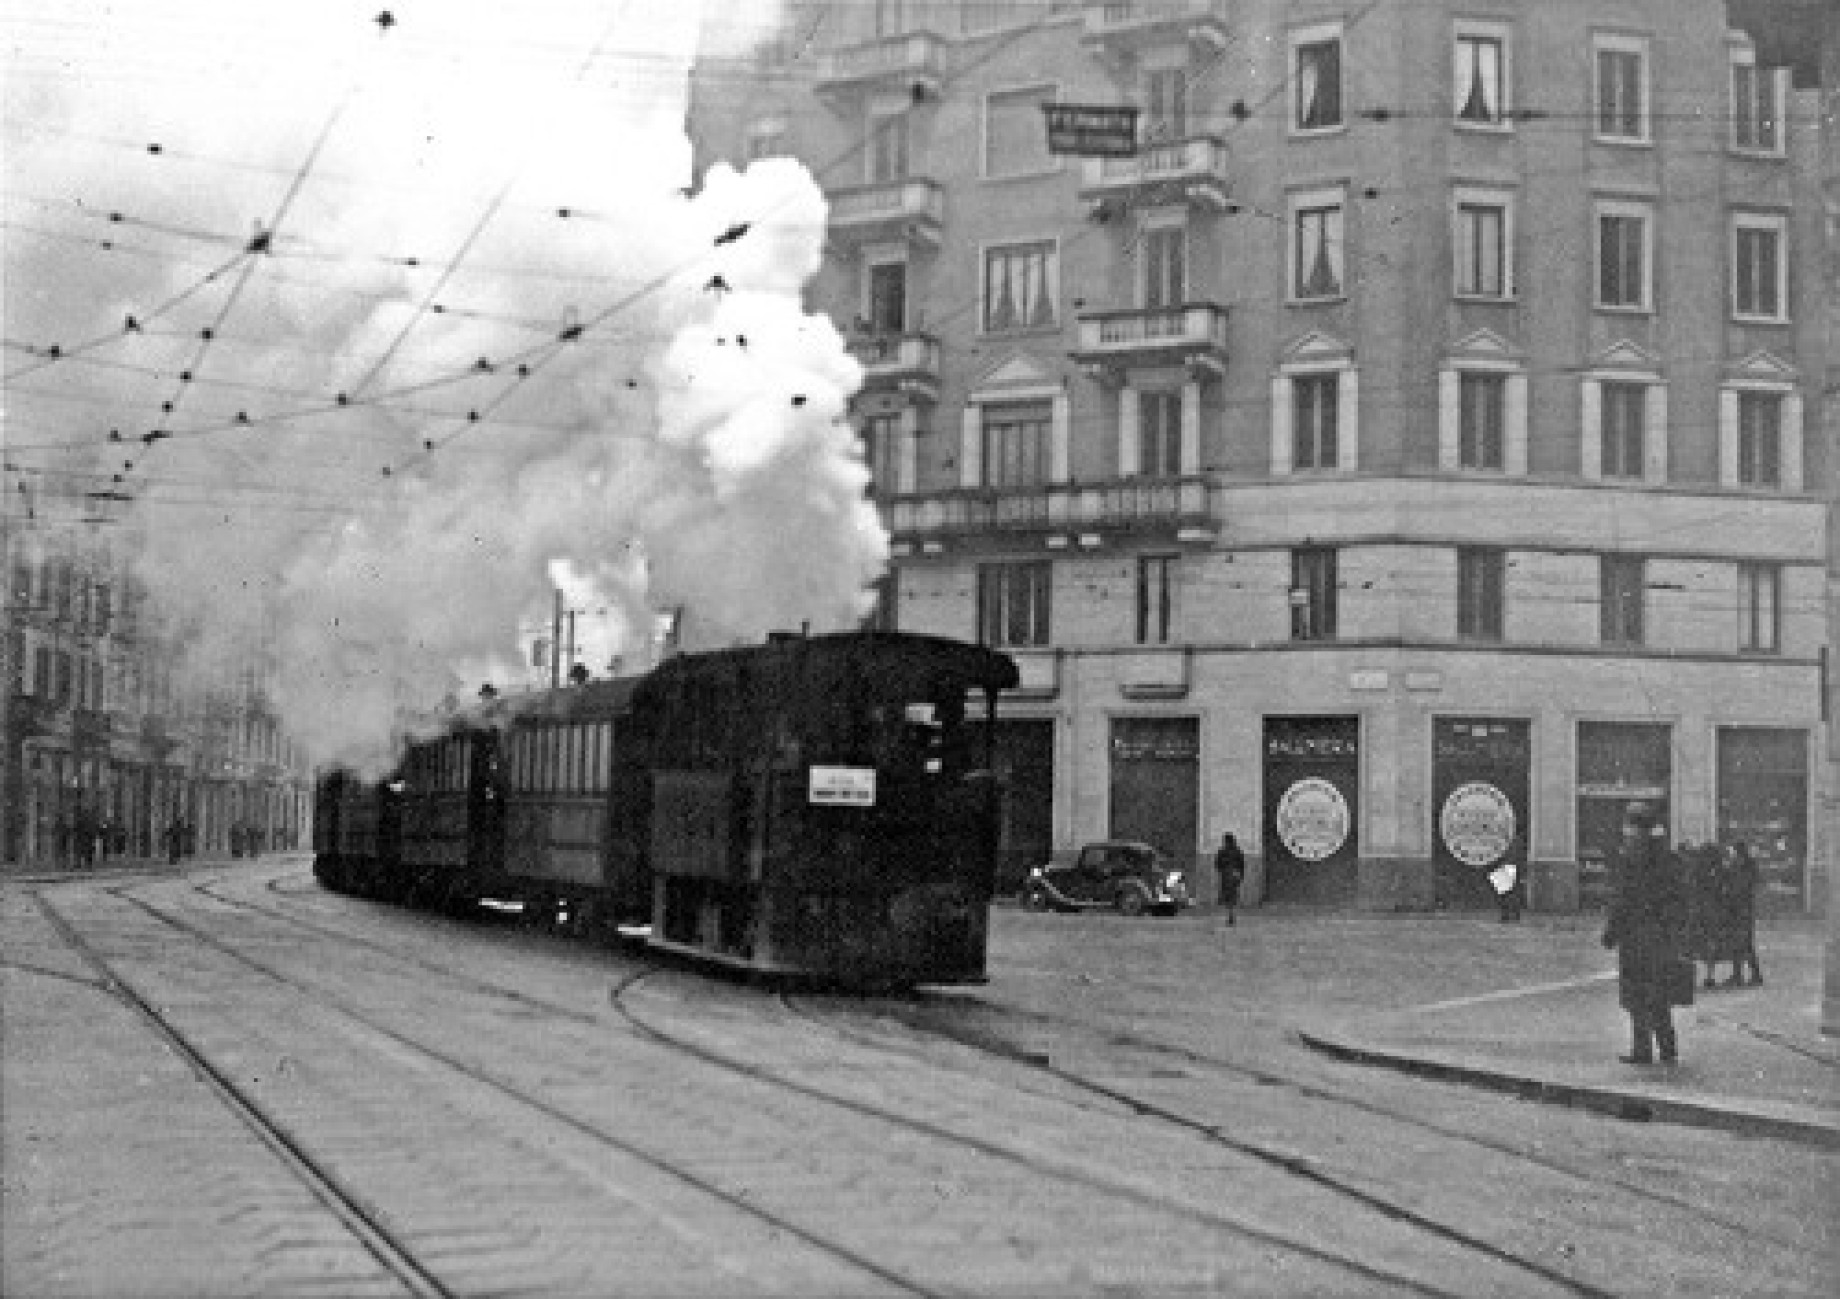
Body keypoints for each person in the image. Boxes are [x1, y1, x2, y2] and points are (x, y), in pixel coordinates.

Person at [1601, 802, 1692, 1065]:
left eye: (1629, 826)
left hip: (1635, 938)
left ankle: (1642, 1050)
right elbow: (1681, 901)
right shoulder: (1669, 859)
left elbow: (1623, 900)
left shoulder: (1631, 861)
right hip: (1662, 939)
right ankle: (1667, 1049)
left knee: (1636, 996)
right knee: (1659, 994)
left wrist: (1611, 931)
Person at [1723, 839, 1763, 987]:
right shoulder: (1744, 866)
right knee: (1740, 944)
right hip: (1741, 910)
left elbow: (1739, 888)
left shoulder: (1743, 868)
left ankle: (1754, 975)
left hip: (1741, 911)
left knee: (1744, 944)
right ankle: (1739, 975)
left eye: (1734, 851)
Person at [1214, 832, 1245, 926]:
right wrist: (1240, 875)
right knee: (1233, 894)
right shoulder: (1237, 851)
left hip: (1226, 875)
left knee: (1227, 895)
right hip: (1235, 874)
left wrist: (1222, 871)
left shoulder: (1222, 851)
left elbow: (1217, 863)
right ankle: (1232, 914)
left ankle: (1230, 914)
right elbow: (1242, 864)